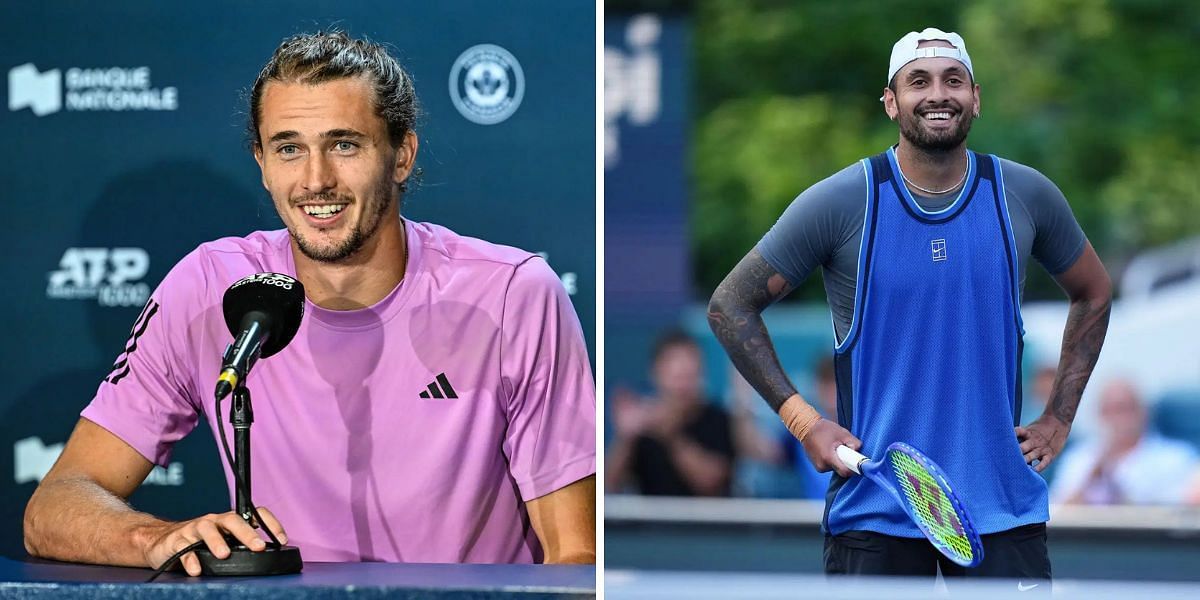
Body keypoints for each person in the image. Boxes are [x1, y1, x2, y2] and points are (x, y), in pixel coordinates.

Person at [23, 31, 596, 573]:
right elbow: (55, 506)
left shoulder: (512, 294)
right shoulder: (206, 287)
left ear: (401, 156)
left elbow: (577, 557)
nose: (315, 180)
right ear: (263, 165)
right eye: (289, 148)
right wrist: (156, 539)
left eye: (344, 144)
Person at [707, 28, 1112, 581]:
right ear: (891, 101)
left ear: (976, 98)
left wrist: (1060, 417)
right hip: (875, 515)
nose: (938, 94)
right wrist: (804, 423)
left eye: (954, 80)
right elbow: (730, 305)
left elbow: (1094, 291)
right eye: (918, 82)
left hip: (1002, 510)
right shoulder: (842, 201)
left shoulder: (1026, 194)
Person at [606, 330, 735, 496]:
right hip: (649, 520)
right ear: (655, 374)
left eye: (689, 377)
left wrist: (671, 437)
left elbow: (712, 482)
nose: (682, 388)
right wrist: (625, 438)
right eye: (677, 377)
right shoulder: (643, 426)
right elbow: (611, 484)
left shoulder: (718, 418)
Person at [1051, 380, 1198, 505]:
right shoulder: (1080, 458)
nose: (1121, 418)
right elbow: (1055, 514)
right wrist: (1091, 480)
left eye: (1127, 408)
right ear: (1100, 415)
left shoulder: (1176, 458)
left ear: (1144, 412)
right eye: (1112, 410)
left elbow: (1184, 509)